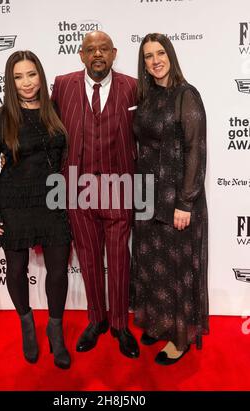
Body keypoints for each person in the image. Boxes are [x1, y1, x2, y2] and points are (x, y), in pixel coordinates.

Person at [0, 50, 72, 369]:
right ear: (10, 82)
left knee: (59, 271)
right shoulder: (1, 117)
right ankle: (27, 324)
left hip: (52, 200)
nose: (26, 82)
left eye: (31, 74)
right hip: (14, 200)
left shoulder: (56, 112)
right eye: (18, 77)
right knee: (16, 271)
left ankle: (55, 329)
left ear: (41, 76)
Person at [51, 31, 140, 358]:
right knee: (88, 257)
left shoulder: (132, 86)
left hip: (120, 188)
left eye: (104, 49)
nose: (98, 54)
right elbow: (48, 127)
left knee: (118, 259)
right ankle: (96, 319)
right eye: (91, 49)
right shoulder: (62, 85)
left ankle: (119, 324)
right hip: (77, 189)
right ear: (81, 54)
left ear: (114, 53)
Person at [130, 33, 209, 365]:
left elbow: (195, 149)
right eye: (148, 56)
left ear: (171, 55)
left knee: (176, 269)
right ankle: (158, 323)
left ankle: (179, 337)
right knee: (151, 265)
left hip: (176, 197)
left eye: (160, 53)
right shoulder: (146, 98)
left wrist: (186, 201)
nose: (155, 60)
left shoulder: (185, 96)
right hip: (146, 195)